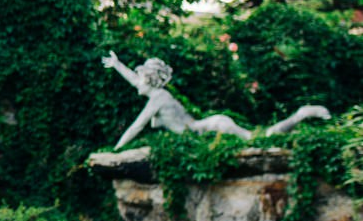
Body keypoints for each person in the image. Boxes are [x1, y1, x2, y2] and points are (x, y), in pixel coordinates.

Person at [102, 51, 331, 149]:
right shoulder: (156, 93)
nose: (137, 81)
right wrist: (117, 65)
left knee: (258, 139)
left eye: (142, 77)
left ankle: (302, 114)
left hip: (212, 127)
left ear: (150, 80)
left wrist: (116, 149)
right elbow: (134, 81)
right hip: (207, 129)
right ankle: (300, 115)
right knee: (258, 138)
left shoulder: (159, 98)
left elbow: (137, 126)